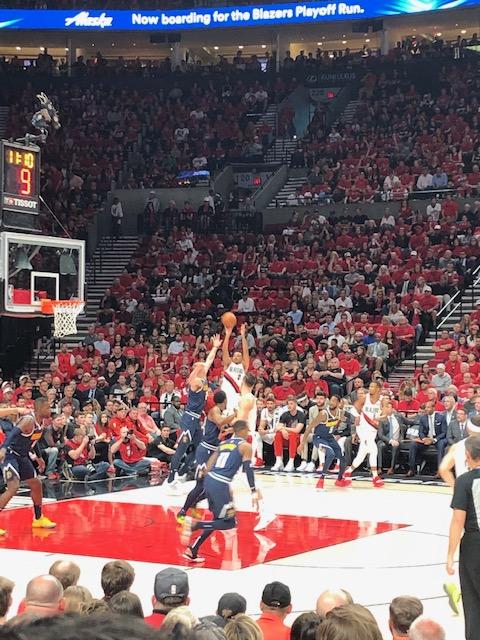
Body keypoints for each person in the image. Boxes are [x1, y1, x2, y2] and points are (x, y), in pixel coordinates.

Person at [180, 420, 262, 563]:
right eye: (247, 430)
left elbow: (209, 464)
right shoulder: (245, 446)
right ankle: (196, 525)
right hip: (220, 484)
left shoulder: (223, 444)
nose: (248, 432)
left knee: (217, 519)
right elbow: (248, 469)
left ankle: (193, 549)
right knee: (229, 522)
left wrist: (209, 487)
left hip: (211, 481)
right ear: (241, 430)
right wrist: (253, 490)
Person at [167, 335, 222, 486]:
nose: (205, 367)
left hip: (196, 419)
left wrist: (215, 347)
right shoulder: (195, 382)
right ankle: (171, 476)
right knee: (183, 446)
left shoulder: (203, 382)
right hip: (189, 418)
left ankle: (184, 470)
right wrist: (197, 366)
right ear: (198, 369)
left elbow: (209, 361)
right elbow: (200, 370)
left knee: (199, 446)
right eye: (202, 367)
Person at [177, 390, 236, 523]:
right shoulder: (214, 411)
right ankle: (183, 511)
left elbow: (222, 431)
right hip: (205, 451)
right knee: (200, 484)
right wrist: (235, 414)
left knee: (213, 484)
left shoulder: (219, 413)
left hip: (214, 451)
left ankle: (194, 503)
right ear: (225, 400)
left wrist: (233, 429)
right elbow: (221, 423)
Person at [0, 399, 56, 534]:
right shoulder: (28, 420)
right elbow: (12, 434)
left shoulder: (40, 421)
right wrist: (3, 449)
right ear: (40, 408)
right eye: (48, 407)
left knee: (36, 484)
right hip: (10, 454)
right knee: (13, 487)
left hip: (22, 455)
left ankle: (38, 518)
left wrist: (39, 457)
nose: (51, 409)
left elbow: (33, 440)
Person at [446, 435, 480, 640]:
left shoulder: (465, 481)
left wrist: (450, 555)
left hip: (474, 546)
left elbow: (458, 521)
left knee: (473, 600)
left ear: (468, 455)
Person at [299, 395, 350, 490]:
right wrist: (302, 443)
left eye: (334, 401)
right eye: (331, 400)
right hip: (319, 438)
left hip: (330, 438)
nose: (331, 402)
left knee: (343, 459)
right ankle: (321, 479)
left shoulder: (340, 413)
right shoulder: (323, 413)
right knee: (330, 454)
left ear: (339, 403)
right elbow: (309, 427)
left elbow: (349, 420)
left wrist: (356, 420)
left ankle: (339, 480)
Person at [344, 382, 385, 487]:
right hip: (362, 429)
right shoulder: (365, 398)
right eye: (370, 386)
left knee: (361, 455)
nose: (370, 388)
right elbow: (353, 408)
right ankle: (375, 477)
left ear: (378, 389)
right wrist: (357, 416)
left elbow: (385, 415)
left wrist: (379, 418)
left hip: (372, 430)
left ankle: (347, 472)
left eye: (372, 386)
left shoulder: (382, 400)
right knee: (373, 450)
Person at [406, 401, 447, 477]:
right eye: (426, 408)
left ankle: (440, 470)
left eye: (428, 407)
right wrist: (424, 438)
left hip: (437, 439)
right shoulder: (423, 418)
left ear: (433, 408)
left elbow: (444, 433)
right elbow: (421, 432)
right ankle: (412, 469)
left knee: (441, 444)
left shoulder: (441, 417)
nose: (426, 409)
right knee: (413, 445)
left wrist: (434, 440)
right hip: (426, 439)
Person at [221, 324, 250, 414]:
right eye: (234, 355)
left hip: (238, 395)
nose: (236, 357)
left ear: (242, 358)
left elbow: (246, 351)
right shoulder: (228, 364)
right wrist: (228, 334)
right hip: (226, 394)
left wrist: (242, 336)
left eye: (238, 355)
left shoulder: (244, 366)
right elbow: (224, 350)